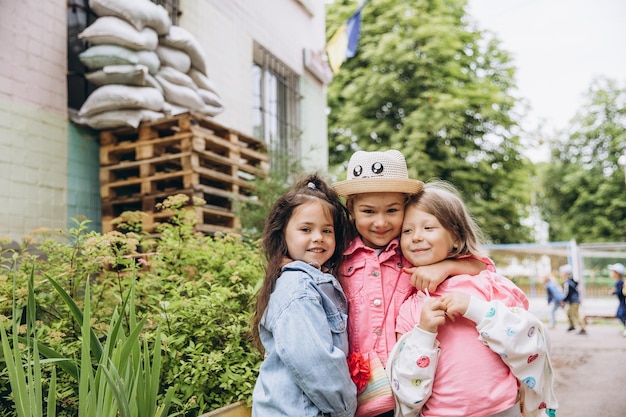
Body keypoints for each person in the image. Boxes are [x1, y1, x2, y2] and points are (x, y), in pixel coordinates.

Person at [332, 150, 489, 417]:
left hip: (414, 385)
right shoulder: (337, 253)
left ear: (405, 206)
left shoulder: (413, 249)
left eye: (392, 211)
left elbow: (484, 267)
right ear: (351, 209)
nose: (381, 222)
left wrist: (447, 266)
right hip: (358, 390)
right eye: (368, 211)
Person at [387, 181, 558, 417]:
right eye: (407, 231)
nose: (416, 237)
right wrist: (424, 333)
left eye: (428, 228)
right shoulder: (410, 307)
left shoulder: (486, 283)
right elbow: (404, 380)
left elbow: (528, 336)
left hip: (504, 408)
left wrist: (474, 308)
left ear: (456, 237)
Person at [251, 174, 357, 417]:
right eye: (306, 229)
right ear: (283, 234)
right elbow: (315, 363)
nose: (318, 237)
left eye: (326, 230)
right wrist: (346, 408)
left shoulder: (316, 279)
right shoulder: (298, 288)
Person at [560, 264, 587, 335]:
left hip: (574, 301)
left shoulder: (567, 283)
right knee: (568, 312)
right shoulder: (571, 282)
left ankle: (582, 328)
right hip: (573, 301)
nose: (561, 274)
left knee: (575, 314)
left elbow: (567, 293)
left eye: (562, 273)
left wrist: (563, 300)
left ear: (566, 274)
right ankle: (572, 325)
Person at [608, 263, 626, 337]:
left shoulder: (620, 282)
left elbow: (621, 292)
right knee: (620, 314)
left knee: (621, 314)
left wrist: (613, 292)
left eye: (612, 272)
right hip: (622, 301)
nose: (611, 273)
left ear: (617, 273)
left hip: (623, 302)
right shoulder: (619, 282)